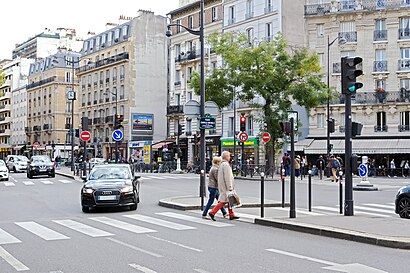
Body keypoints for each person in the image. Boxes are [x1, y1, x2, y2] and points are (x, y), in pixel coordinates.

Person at [209, 151, 240, 221]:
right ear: (226, 157)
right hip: (226, 186)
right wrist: (230, 187)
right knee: (224, 201)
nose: (230, 157)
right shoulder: (225, 165)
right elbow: (227, 177)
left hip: (222, 185)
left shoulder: (221, 164)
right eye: (229, 156)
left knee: (230, 200)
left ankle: (231, 214)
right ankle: (212, 212)